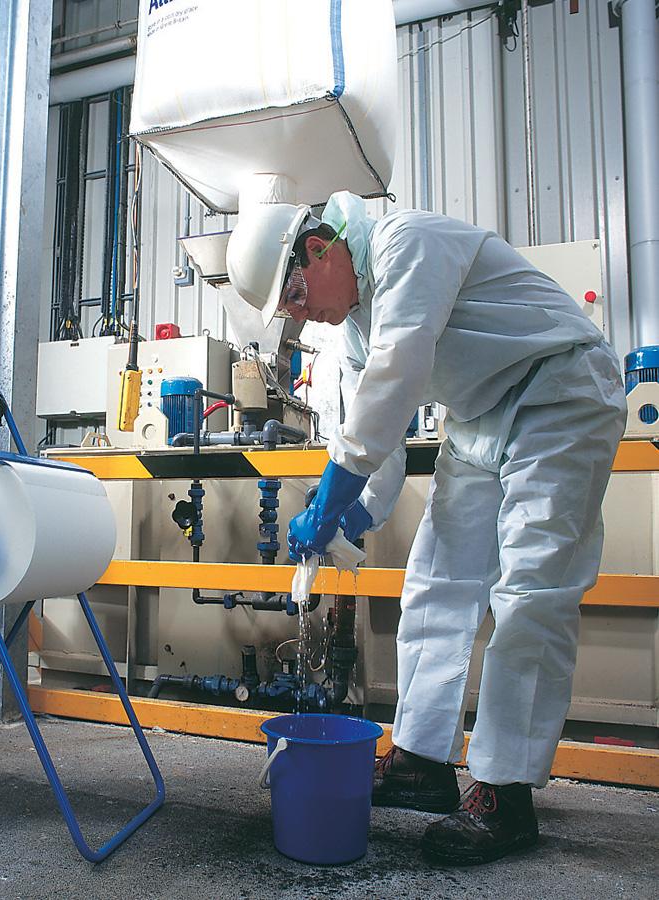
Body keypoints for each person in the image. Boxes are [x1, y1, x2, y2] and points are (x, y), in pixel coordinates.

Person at [226, 191, 627, 865]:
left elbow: (396, 379)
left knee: (530, 594)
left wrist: (326, 500)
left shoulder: (404, 244)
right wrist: (341, 518)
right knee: (435, 583)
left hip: (559, 390)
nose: (300, 316)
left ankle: (505, 793)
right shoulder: (352, 328)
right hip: (478, 420)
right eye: (287, 310)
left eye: (295, 294)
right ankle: (421, 761)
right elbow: (374, 455)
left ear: (320, 248)